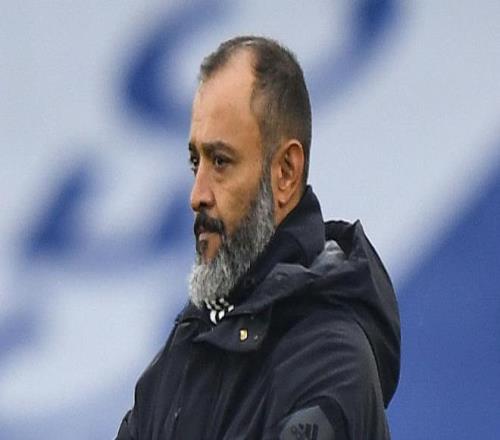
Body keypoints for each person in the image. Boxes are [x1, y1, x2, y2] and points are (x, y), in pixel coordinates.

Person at [116, 36, 400, 440]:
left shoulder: (330, 364)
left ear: (285, 172)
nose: (197, 195)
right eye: (196, 162)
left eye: (221, 161)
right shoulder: (180, 357)